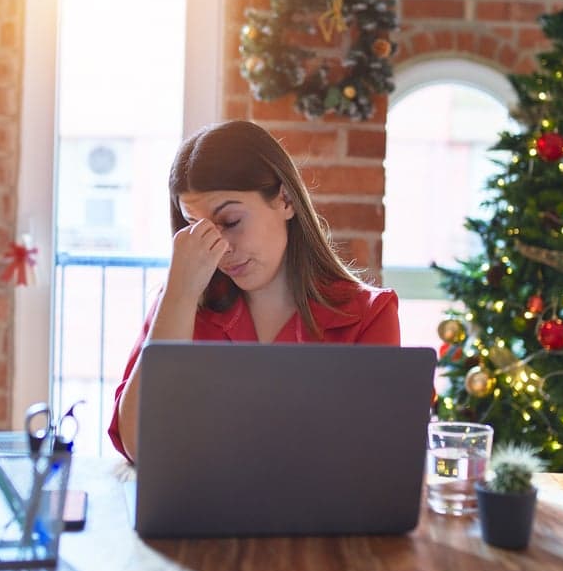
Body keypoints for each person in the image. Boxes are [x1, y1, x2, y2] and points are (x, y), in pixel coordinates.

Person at [109, 120, 400, 461]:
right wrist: (178, 295)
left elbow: (379, 456)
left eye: (231, 222)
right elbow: (139, 447)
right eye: (196, 230)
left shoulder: (367, 316)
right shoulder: (178, 306)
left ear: (286, 199)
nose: (220, 249)